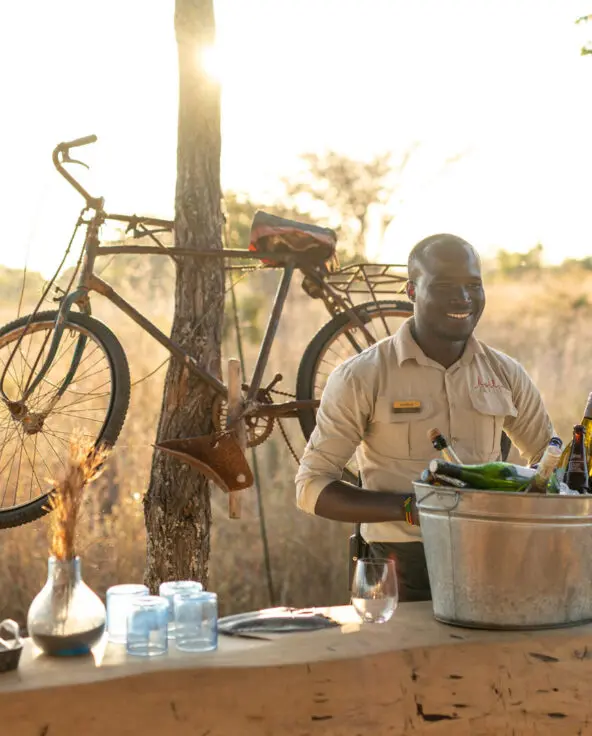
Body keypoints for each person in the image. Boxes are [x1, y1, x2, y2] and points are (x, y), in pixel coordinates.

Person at [295, 233, 553, 602]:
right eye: (445, 285)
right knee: (399, 662)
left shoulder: (506, 373)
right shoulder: (362, 375)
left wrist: (517, 508)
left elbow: (549, 461)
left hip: (491, 559)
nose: (463, 298)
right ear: (412, 291)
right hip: (398, 566)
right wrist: (409, 508)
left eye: (473, 285)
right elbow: (310, 487)